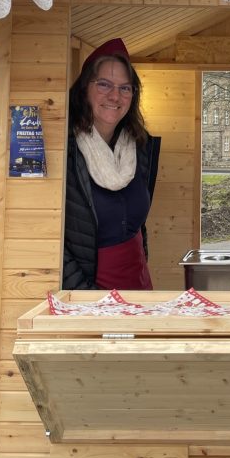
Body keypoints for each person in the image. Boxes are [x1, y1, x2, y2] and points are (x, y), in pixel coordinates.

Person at [62, 38, 160, 290]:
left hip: (138, 289)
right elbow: (48, 238)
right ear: (84, 88)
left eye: (125, 88)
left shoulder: (140, 148)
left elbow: (138, 227)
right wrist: (86, 294)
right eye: (104, 84)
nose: (115, 95)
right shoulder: (64, 150)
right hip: (88, 297)